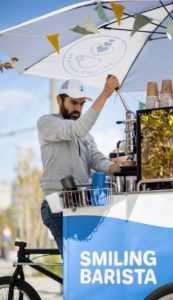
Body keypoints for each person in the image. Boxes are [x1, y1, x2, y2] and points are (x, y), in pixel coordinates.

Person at [37, 75, 120, 256]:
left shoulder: (85, 134)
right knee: (75, 267)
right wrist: (104, 95)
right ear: (59, 100)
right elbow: (77, 130)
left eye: (82, 104)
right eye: (73, 103)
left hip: (81, 205)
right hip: (57, 207)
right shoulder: (47, 123)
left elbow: (97, 160)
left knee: (86, 265)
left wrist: (117, 167)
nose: (78, 109)